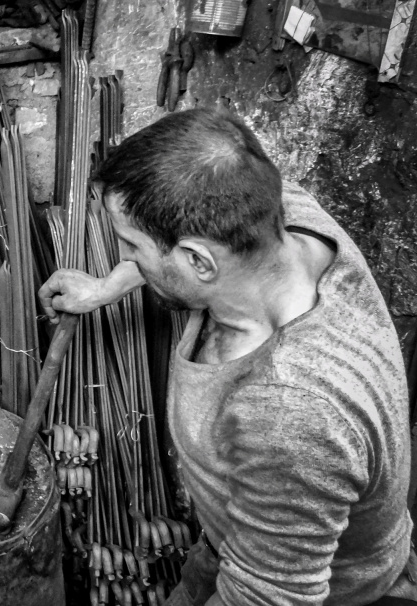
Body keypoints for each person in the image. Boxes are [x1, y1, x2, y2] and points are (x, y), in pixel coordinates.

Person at [38, 108, 417, 605]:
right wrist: (106, 288)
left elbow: (267, 596)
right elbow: (195, 242)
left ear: (199, 261)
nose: (126, 256)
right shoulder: (275, 217)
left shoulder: (288, 411)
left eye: (132, 246)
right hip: (227, 547)